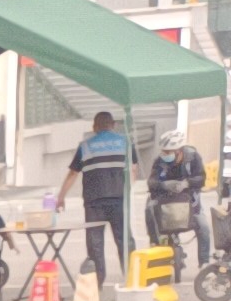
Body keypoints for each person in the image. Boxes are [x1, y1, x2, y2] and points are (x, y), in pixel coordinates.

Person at [59, 109, 132, 286]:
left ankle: (96, 283)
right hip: (119, 199)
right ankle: (131, 279)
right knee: (124, 240)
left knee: (95, 244)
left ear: (94, 127)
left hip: (94, 203)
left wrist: (61, 197)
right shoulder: (125, 142)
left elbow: (73, 174)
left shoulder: (85, 146)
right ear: (113, 125)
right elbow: (134, 169)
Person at [149, 130, 212, 270]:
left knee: (203, 227)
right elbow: (151, 182)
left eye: (169, 151)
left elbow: (201, 179)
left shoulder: (193, 158)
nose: (165, 154)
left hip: (189, 204)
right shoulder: (159, 161)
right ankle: (156, 248)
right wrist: (164, 185)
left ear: (179, 150)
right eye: (164, 151)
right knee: (150, 211)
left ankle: (204, 262)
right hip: (167, 203)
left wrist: (187, 183)